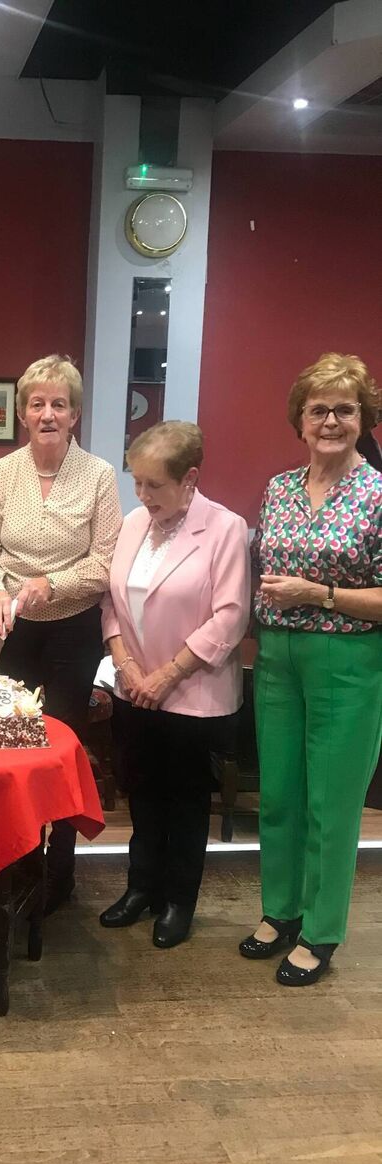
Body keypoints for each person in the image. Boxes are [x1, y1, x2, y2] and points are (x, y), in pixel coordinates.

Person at [241, 352, 382, 986]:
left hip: (347, 660)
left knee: (330, 803)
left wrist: (319, 595)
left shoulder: (378, 494)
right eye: (319, 409)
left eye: (344, 410)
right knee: (279, 796)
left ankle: (320, 930)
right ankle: (281, 909)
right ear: (300, 419)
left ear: (363, 419)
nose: (330, 421)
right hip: (277, 658)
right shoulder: (279, 488)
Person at [0, 354, 122, 913]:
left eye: (59, 404)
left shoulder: (100, 476)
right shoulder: (3, 474)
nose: (48, 413)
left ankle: (59, 869)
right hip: (13, 630)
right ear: (21, 413)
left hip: (72, 632)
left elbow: (104, 562)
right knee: (8, 747)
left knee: (58, 750)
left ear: (75, 414)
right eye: (38, 403)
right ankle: (13, 857)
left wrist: (49, 584)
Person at [100, 422, 249, 948]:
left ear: (190, 478)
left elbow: (230, 618)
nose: (142, 496)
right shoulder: (135, 523)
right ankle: (140, 889)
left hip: (193, 696)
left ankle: (177, 903)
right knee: (142, 797)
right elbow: (112, 602)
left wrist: (165, 675)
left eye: (154, 485)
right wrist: (126, 666)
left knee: (185, 807)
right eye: (136, 483)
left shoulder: (226, 529)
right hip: (134, 689)